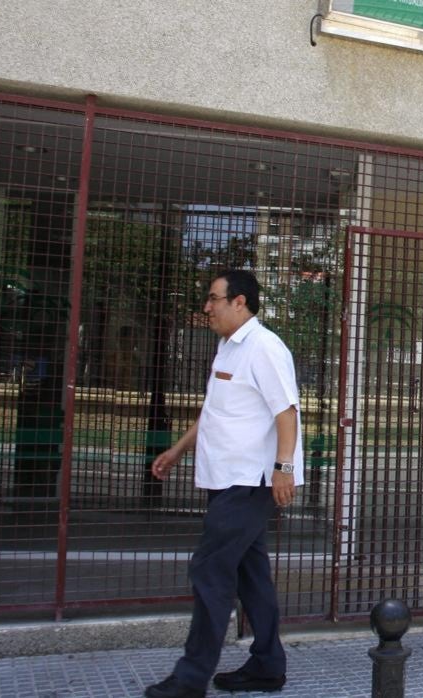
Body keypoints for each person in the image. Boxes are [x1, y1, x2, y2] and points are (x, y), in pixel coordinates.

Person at [144, 270, 304, 698]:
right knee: (251, 576)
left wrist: (283, 468)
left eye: (214, 299)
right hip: (225, 479)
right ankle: (268, 666)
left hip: (248, 483)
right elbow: (214, 410)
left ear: (240, 302)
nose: (206, 307)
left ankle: (190, 677)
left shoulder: (264, 347)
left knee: (210, 570)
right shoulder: (226, 349)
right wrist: (178, 450)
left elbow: (286, 411)